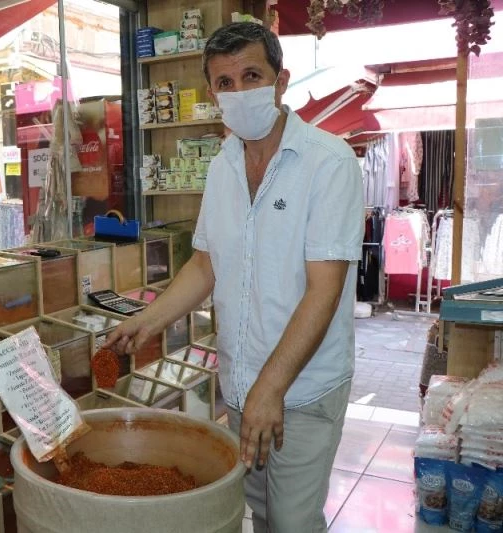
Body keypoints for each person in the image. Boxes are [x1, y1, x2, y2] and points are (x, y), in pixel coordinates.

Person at [104, 22, 364, 532]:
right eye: (225, 82)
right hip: (242, 386)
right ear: (212, 93)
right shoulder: (222, 166)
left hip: (303, 389)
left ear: (281, 80)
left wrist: (271, 390)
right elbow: (206, 264)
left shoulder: (328, 164)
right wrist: (148, 320)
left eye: (252, 75)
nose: (239, 91)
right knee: (261, 516)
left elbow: (325, 289)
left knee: (292, 522)